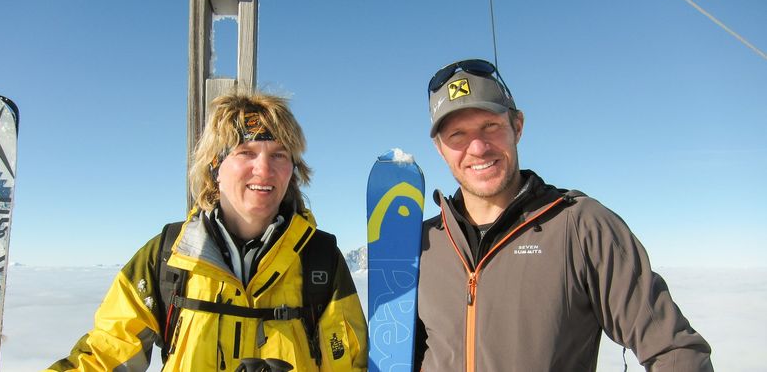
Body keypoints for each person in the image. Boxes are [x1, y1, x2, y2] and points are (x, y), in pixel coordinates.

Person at [414, 59, 713, 371]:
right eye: (457, 134)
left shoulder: (581, 227)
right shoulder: (423, 245)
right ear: (439, 147)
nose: (477, 147)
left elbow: (676, 352)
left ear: (517, 126)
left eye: (490, 126)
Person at [47, 93, 367, 371]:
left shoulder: (320, 261)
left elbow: (350, 364)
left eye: (279, 155)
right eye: (246, 152)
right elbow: (107, 353)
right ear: (215, 166)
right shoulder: (168, 257)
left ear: (293, 171)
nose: (264, 169)